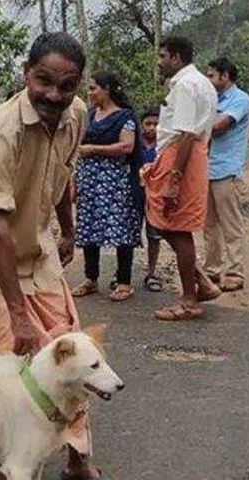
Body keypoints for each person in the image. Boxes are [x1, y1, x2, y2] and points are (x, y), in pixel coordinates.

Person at [0, 32, 101, 480]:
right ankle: (6, 462)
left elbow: (60, 176)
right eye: (43, 82)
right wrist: (17, 313)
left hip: (37, 246)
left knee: (70, 351)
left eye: (66, 85)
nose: (53, 95)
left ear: (77, 85)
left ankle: (77, 460)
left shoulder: (76, 115)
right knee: (11, 364)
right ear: (26, 75)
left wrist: (69, 230)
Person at [140, 36, 221, 321]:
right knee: (164, 221)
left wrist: (175, 177)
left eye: (162, 56)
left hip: (181, 155)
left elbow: (186, 133)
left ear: (175, 58)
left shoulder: (187, 85)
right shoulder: (202, 84)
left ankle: (189, 300)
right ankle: (201, 281)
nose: (159, 62)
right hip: (187, 154)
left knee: (176, 225)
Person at [71, 72, 141, 302]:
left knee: (120, 227)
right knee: (89, 226)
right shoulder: (90, 115)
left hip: (114, 182)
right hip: (90, 181)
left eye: (93, 89)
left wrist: (94, 149)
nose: (89, 94)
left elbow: (126, 147)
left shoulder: (125, 117)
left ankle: (123, 281)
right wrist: (75, 182)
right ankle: (91, 278)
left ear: (107, 89)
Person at [204, 57, 249, 292]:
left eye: (212, 75)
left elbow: (218, 125)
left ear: (225, 76)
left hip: (226, 168)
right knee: (209, 224)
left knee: (230, 223)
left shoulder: (240, 100)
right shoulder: (212, 99)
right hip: (207, 167)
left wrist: (196, 121)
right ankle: (212, 270)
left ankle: (234, 272)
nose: (209, 79)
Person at [138, 106, 165, 292]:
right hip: (135, 194)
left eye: (156, 124)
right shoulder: (134, 145)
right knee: (129, 232)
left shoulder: (165, 146)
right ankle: (121, 273)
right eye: (148, 123)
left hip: (156, 195)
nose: (152, 128)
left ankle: (152, 272)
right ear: (141, 125)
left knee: (154, 235)